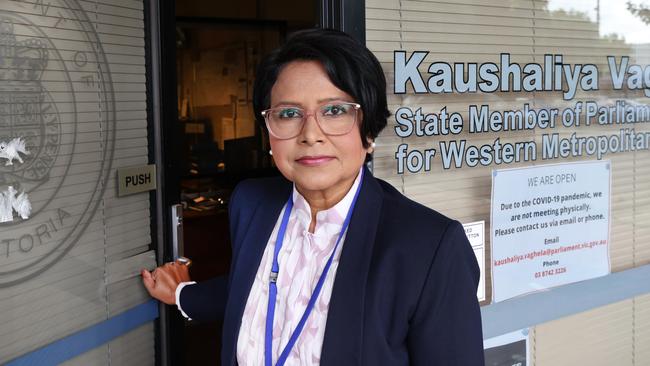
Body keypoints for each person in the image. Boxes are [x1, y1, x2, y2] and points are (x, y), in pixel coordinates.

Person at [142, 28, 484, 366]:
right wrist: (183, 295)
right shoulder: (252, 203)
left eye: (334, 111)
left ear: (368, 133)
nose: (310, 134)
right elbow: (254, 285)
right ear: (268, 132)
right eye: (289, 114)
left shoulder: (429, 247)